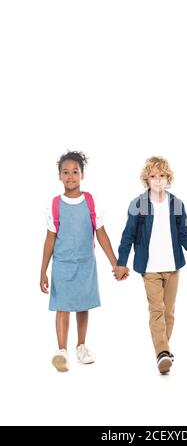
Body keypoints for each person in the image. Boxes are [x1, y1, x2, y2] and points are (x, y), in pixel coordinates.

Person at [40, 151, 127, 372]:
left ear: (82, 174)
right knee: (62, 306)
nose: (70, 176)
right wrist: (43, 271)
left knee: (82, 305)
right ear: (59, 176)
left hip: (86, 263)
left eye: (75, 172)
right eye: (65, 172)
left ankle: (81, 346)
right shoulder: (54, 206)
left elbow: (102, 234)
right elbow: (49, 240)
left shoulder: (91, 201)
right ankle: (62, 351)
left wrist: (115, 263)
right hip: (61, 264)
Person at [114, 156, 187, 374]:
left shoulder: (176, 204)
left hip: (172, 266)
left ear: (168, 178)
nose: (158, 180)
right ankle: (161, 352)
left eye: (162, 176)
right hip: (149, 267)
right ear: (146, 179)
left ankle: (164, 350)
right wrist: (121, 263)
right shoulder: (138, 204)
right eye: (153, 176)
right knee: (157, 310)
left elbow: (184, 233)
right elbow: (127, 236)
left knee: (169, 312)